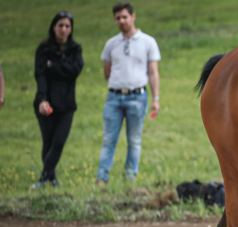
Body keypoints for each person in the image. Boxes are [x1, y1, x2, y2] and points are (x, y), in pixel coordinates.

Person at [97, 1, 161, 185]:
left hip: (138, 97)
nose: (122, 21)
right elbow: (107, 72)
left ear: (133, 17)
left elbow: (153, 72)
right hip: (114, 97)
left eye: (125, 17)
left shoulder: (148, 42)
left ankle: (130, 177)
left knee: (134, 140)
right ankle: (102, 177)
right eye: (118, 18)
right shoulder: (111, 44)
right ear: (115, 20)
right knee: (109, 139)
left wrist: (155, 98)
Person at [31, 11, 84, 190]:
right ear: (53, 27)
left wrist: (53, 66)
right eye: (60, 25)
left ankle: (44, 178)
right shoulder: (44, 49)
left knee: (59, 142)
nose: (63, 29)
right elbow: (40, 76)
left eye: (67, 26)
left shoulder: (75, 50)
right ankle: (51, 180)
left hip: (67, 104)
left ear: (71, 29)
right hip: (46, 101)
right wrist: (42, 100)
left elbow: (74, 70)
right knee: (48, 141)